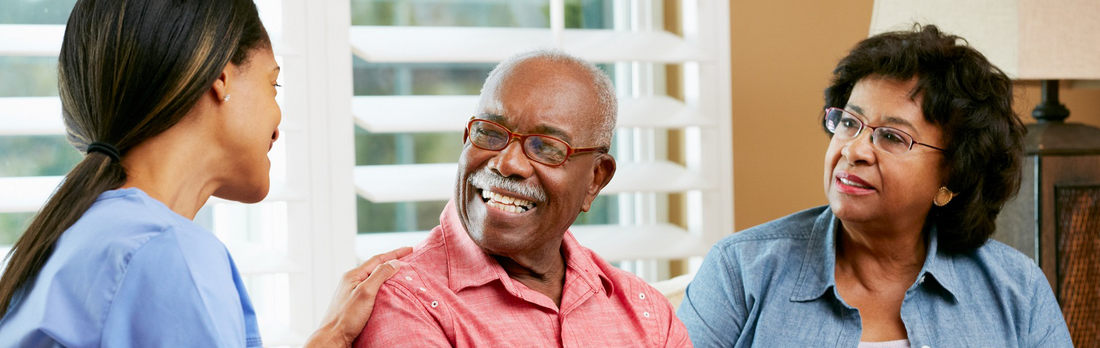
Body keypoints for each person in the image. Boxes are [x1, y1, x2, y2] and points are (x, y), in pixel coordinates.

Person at [0, 0, 409, 346]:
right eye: (274, 85)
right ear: (221, 77)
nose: (279, 121)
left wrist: (330, 336)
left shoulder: (71, 238)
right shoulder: (167, 254)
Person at [677, 25, 1073, 347]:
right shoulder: (741, 271)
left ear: (953, 176)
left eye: (892, 137)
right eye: (849, 122)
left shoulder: (1016, 289)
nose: (854, 151)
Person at [355, 49, 691, 347]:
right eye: (490, 133)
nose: (507, 163)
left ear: (595, 179)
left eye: (546, 147)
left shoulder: (646, 311)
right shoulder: (403, 299)